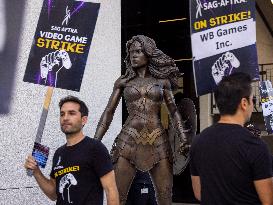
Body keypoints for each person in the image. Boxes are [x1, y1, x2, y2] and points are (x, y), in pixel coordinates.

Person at [94, 35, 192, 205]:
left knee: (165, 196)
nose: (134, 55)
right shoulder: (123, 82)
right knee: (117, 197)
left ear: (148, 53)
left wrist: (183, 137)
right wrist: (95, 142)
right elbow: (109, 112)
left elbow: (174, 111)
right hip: (128, 139)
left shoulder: (162, 82)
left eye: (138, 51)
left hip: (158, 139)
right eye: (131, 52)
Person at [190, 72, 273, 205]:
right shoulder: (255, 146)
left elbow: (199, 193)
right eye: (254, 100)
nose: (253, 105)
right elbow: (268, 200)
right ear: (244, 103)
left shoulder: (198, 141)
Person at [24, 95, 119, 205]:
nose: (65, 118)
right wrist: (36, 171)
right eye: (62, 114)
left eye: (71, 113)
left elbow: (111, 190)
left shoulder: (95, 148)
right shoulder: (59, 153)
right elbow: (53, 194)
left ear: (83, 120)